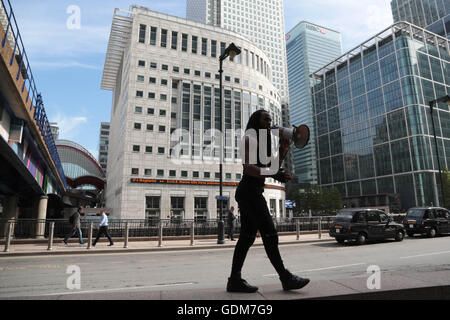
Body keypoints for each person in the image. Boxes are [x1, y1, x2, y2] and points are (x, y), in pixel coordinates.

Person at [226, 110, 310, 293]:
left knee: (247, 238)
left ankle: (234, 280)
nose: (269, 122)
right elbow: (249, 168)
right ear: (256, 121)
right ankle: (285, 277)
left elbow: (271, 167)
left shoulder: (262, 143)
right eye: (266, 119)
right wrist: (273, 173)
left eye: (271, 119)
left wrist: (283, 148)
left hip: (253, 191)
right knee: (269, 233)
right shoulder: (249, 139)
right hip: (249, 191)